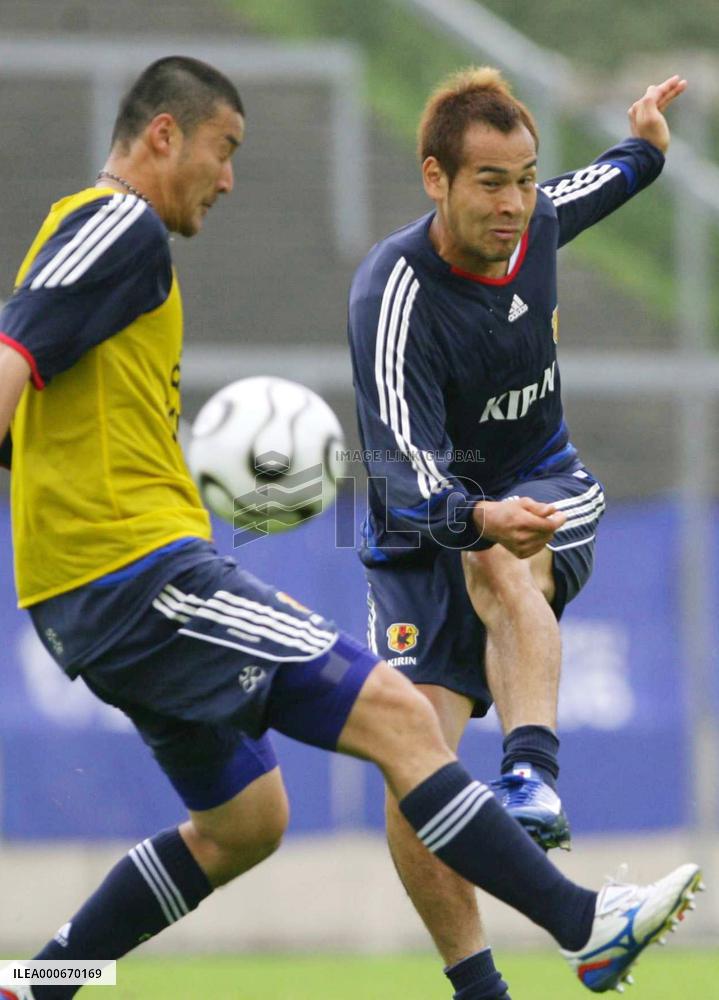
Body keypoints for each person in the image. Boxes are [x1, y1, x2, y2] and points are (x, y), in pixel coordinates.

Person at [0, 57, 700, 1000]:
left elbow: (26, 422)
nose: (230, 176)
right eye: (224, 149)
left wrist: (641, 154)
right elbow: (11, 349)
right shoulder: (117, 222)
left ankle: (33, 984)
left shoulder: (107, 254)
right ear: (164, 135)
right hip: (140, 575)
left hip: (95, 584)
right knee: (402, 720)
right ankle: (585, 924)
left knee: (245, 823)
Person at [347, 67, 688, 998]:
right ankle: (480, 986)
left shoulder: (534, 221)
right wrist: (470, 514)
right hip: (420, 519)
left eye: (527, 178)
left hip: (545, 484)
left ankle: (531, 776)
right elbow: (402, 467)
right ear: (435, 179)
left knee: (501, 565)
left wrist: (646, 145)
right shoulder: (392, 295)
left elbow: (611, 179)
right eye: (491, 182)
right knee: (409, 762)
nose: (515, 203)